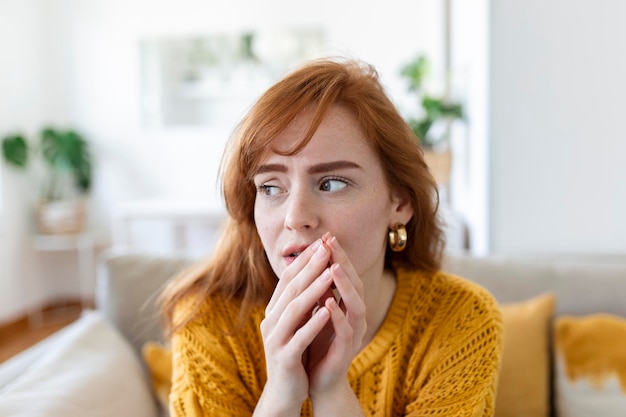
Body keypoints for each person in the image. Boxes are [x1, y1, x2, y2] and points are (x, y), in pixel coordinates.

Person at [159, 57, 503, 417]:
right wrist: (280, 395)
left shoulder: (461, 320)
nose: (295, 218)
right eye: (271, 187)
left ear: (399, 201)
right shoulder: (209, 320)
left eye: (332, 183)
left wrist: (332, 391)